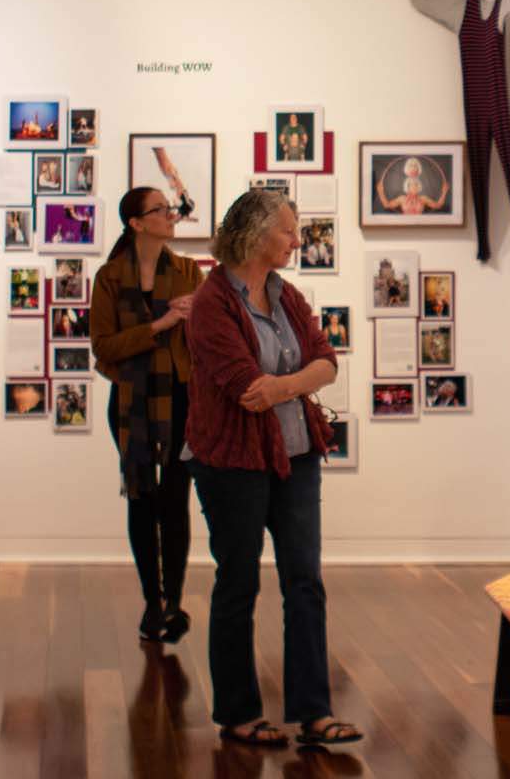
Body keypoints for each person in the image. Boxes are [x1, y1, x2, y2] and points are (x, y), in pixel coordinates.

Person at [185, 189, 362, 750]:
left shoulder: (288, 297)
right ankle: (239, 713)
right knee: (238, 583)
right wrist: (294, 381)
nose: (296, 239)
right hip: (231, 461)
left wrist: (286, 385)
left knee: (304, 582)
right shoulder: (213, 303)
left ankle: (313, 711)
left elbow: (325, 362)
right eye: (288, 231)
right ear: (256, 235)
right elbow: (243, 388)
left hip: (296, 454)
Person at [90, 186, 204, 645]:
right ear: (137, 223)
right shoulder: (111, 278)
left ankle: (174, 601)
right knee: (142, 498)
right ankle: (151, 601)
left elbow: (205, 342)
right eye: (160, 209)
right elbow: (103, 347)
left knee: (175, 499)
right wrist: (160, 324)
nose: (170, 215)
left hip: (179, 398)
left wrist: (195, 318)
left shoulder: (188, 271)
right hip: (131, 401)